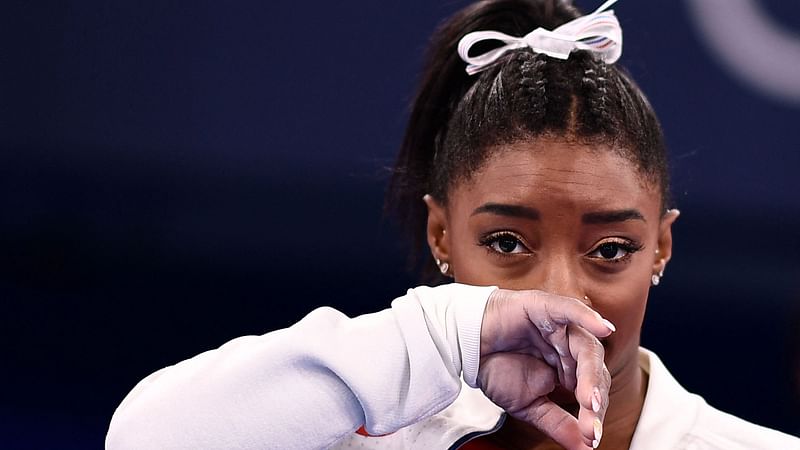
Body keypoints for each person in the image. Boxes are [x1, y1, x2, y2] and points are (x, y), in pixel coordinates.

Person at [106, 0, 800, 449]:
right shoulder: (359, 434)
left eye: (610, 249)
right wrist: (436, 336)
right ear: (441, 234)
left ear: (662, 247)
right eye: (506, 243)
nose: (560, 296)